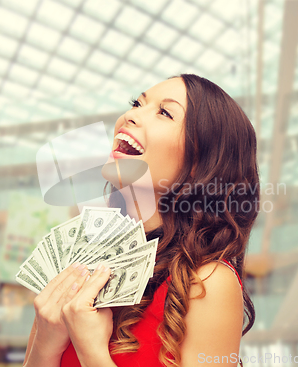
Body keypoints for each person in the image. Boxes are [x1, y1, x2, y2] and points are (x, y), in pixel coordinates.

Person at [23, 74, 259, 367]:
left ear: (201, 162)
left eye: (164, 112)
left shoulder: (208, 282)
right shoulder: (78, 261)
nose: (131, 115)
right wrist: (45, 344)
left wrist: (92, 351)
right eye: (137, 103)